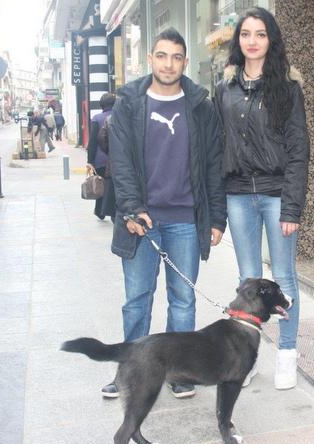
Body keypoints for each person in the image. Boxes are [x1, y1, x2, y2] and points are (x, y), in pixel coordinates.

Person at [106, 27, 226, 399]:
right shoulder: (129, 103)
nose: (168, 64)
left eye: (176, 57)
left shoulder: (201, 106)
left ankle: (180, 371)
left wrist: (216, 218)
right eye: (162, 56)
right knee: (137, 300)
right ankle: (130, 372)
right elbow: (120, 162)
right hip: (141, 221)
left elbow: (213, 164)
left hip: (186, 220)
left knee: (183, 300)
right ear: (150, 59)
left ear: (185, 62)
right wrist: (131, 209)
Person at [214, 7, 310, 390]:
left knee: (283, 277)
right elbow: (218, 146)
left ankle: (287, 354)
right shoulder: (225, 89)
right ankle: (246, 357)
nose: (252, 41)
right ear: (238, 40)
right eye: (245, 34)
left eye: (260, 34)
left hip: (276, 194)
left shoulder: (287, 87)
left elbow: (299, 150)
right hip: (238, 194)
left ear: (271, 40)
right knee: (247, 279)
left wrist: (292, 206)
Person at [86, 93, 116, 221]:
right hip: (116, 159)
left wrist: (90, 161)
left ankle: (100, 211)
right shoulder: (120, 117)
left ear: (101, 105)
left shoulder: (97, 118)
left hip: (100, 160)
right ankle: (110, 212)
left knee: (101, 184)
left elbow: (93, 141)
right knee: (113, 186)